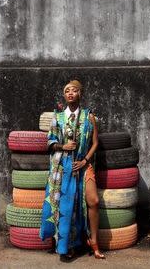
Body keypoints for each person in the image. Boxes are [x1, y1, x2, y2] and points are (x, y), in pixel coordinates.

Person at [40, 80, 105, 261]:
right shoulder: (58, 117)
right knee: (66, 206)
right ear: (64, 95)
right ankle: (66, 246)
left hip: (83, 165)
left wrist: (85, 161)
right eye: (67, 91)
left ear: (80, 94)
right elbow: (50, 143)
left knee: (94, 200)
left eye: (74, 90)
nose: (70, 93)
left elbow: (95, 143)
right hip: (63, 167)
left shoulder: (89, 116)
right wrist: (64, 146)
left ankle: (94, 242)